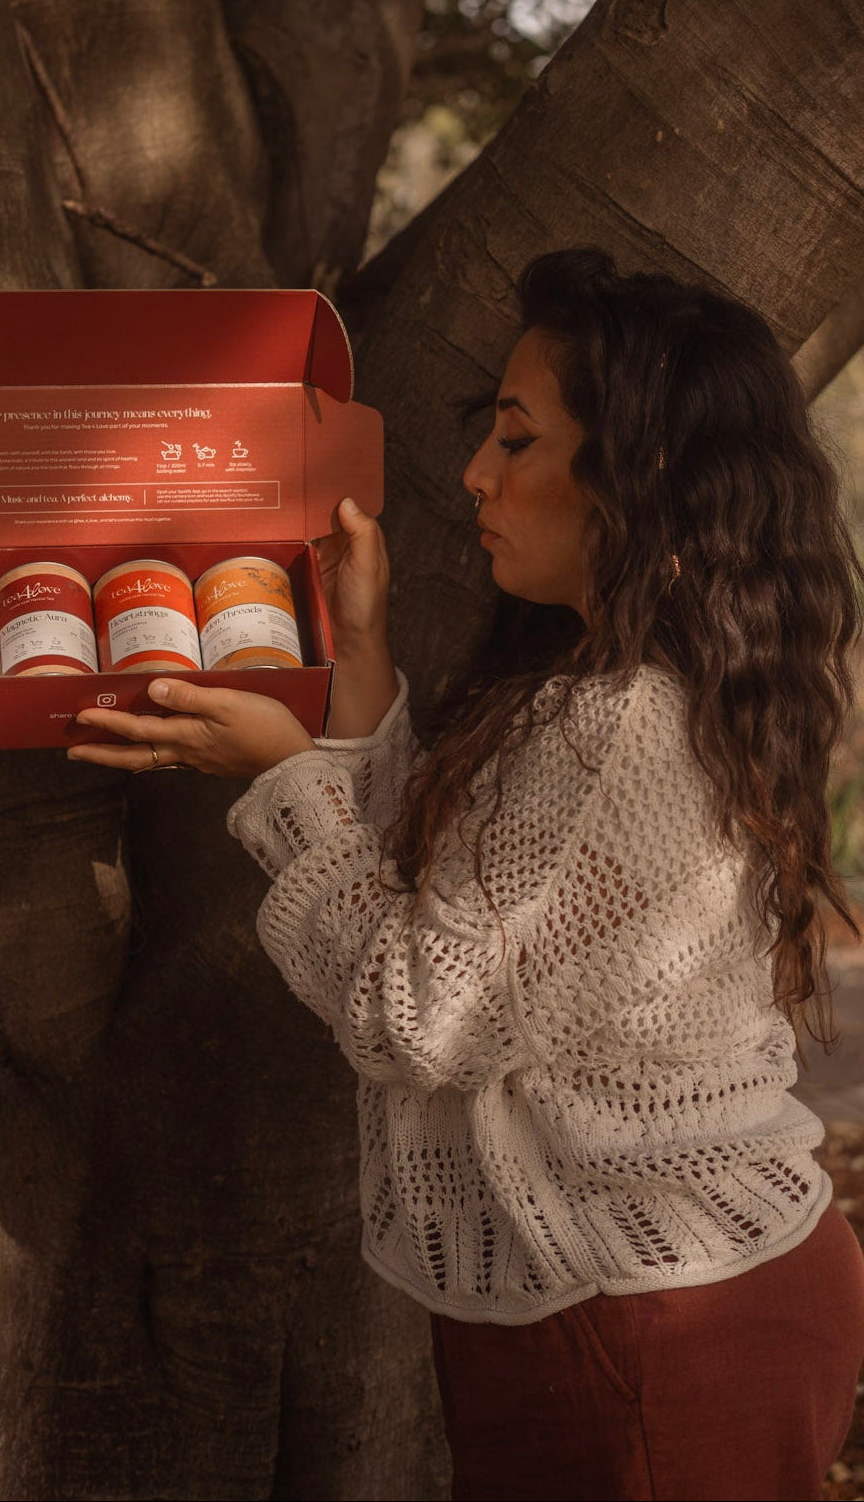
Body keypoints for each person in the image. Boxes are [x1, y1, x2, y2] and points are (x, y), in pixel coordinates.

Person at [68, 248, 864, 1502]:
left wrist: (282, 774)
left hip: (653, 1325)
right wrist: (364, 649)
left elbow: (415, 1011)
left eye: (518, 440)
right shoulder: (640, 689)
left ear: (637, 473)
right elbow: (458, 919)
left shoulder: (619, 727)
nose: (474, 474)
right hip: (646, 1297)